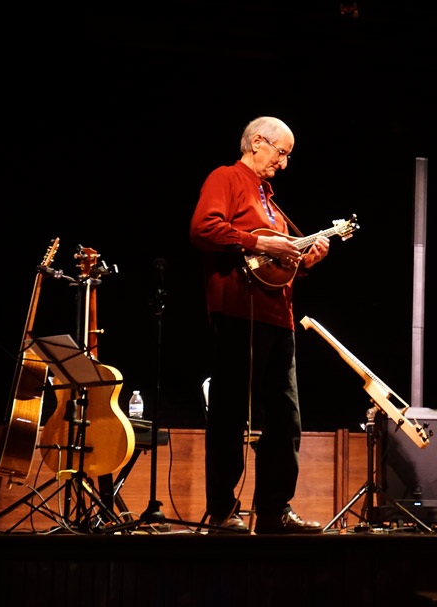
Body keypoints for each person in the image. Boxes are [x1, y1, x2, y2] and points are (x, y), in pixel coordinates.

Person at [190, 116, 329, 533]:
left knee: (286, 419)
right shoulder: (227, 177)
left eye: (288, 156)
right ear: (257, 142)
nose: (284, 164)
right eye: (281, 153)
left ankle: (273, 511)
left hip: (278, 317)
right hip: (238, 311)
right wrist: (257, 240)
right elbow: (203, 228)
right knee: (231, 414)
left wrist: (304, 262)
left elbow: (275, 264)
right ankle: (222, 512)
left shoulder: (271, 200)